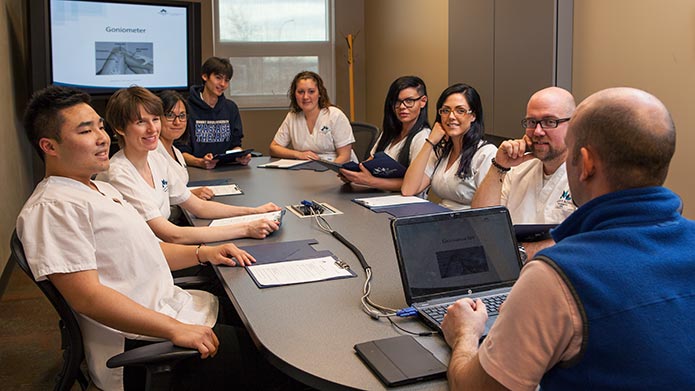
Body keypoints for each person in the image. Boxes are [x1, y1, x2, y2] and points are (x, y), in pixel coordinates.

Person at [17, 85, 288, 390]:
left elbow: (149, 248)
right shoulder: (53, 208)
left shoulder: (98, 188)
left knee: (268, 322)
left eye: (100, 127)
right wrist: (175, 329)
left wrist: (204, 253)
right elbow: (87, 297)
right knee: (277, 363)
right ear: (49, 146)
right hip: (146, 346)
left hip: (172, 308)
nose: (102, 138)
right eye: (85, 131)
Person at [441, 87, 695, 390]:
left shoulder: (556, 275)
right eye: (531, 122)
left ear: (585, 163)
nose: (537, 132)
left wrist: (465, 335)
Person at [98, 86, 280, 245]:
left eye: (155, 119)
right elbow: (172, 235)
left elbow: (199, 207)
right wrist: (246, 229)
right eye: (141, 122)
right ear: (119, 128)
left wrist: (254, 212)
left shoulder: (156, 159)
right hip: (149, 263)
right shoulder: (119, 173)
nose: (152, 129)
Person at [471, 86, 577, 223]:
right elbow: (481, 221)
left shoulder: (584, 178)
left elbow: (581, 238)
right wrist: (499, 166)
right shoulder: (518, 169)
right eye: (532, 122)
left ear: (573, 124)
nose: (538, 131)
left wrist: (521, 246)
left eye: (550, 122)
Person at [401, 83, 497, 209]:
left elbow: (487, 210)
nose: (451, 117)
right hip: (441, 219)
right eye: (446, 110)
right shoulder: (443, 150)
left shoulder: (486, 154)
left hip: (469, 224)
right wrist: (430, 142)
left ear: (473, 116)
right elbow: (408, 190)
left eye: (460, 111)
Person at [339, 75, 430, 191]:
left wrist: (370, 181)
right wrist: (353, 175)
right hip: (375, 194)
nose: (402, 107)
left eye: (409, 101)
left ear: (423, 102)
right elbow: (368, 162)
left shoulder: (423, 138)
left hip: (403, 202)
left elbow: (413, 185)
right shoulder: (391, 132)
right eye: (397, 101)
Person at [176, 56, 251, 169]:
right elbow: (179, 151)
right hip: (194, 170)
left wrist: (239, 155)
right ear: (205, 76)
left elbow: (235, 144)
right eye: (218, 78)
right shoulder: (187, 107)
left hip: (227, 169)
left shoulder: (231, 108)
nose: (222, 84)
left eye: (226, 80)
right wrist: (200, 162)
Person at [269, 70, 357, 163]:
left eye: (311, 91)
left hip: (337, 170)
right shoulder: (292, 117)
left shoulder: (335, 115)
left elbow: (345, 156)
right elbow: (274, 148)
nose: (305, 97)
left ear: (319, 93)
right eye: (300, 92)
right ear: (294, 94)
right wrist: (298, 154)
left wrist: (327, 173)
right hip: (307, 170)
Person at [156, 90, 213, 200]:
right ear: (157, 118)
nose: (177, 122)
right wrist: (191, 195)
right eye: (170, 115)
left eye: (182, 116)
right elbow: (158, 195)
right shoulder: (153, 153)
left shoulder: (176, 152)